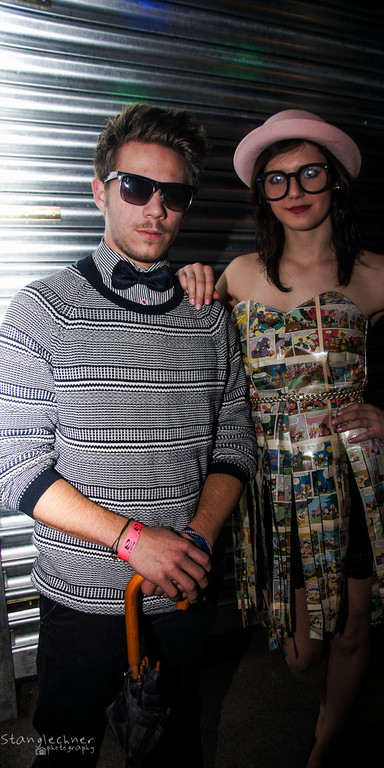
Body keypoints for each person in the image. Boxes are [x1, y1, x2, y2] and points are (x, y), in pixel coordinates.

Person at [178, 109, 384, 767]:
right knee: (301, 652)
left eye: (309, 174)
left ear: (336, 182)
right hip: (273, 487)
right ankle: (335, 706)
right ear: (262, 194)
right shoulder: (239, 274)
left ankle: (326, 745)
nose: (293, 191)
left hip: (351, 480)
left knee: (351, 631)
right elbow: (189, 360)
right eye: (276, 179)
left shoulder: (377, 274)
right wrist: (189, 284)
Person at [0, 102, 257, 767]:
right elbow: (15, 468)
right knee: (65, 747)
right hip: (79, 597)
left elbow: (234, 441)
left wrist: (195, 541)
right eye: (136, 187)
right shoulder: (42, 310)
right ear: (100, 191)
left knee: (172, 748)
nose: (156, 209)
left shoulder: (209, 317)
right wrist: (133, 541)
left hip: (181, 590)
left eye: (175, 194)